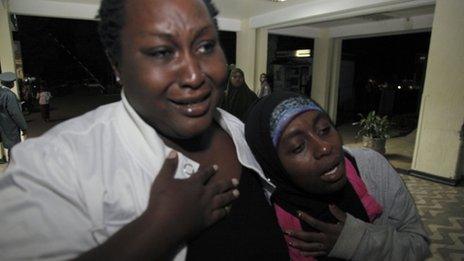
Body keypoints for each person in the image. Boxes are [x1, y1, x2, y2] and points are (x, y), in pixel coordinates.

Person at [0, 0, 290, 260]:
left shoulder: (237, 128)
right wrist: (158, 230)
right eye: (162, 52)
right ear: (118, 68)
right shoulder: (54, 166)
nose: (193, 75)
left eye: (205, 46)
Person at [245, 91, 430, 261]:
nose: (324, 147)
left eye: (325, 129)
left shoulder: (372, 168)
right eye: (298, 147)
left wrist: (356, 241)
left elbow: (418, 245)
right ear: (274, 166)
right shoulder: (264, 209)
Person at [0, 72, 28, 161]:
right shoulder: (9, 95)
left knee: (11, 148)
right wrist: (24, 127)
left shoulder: (1, 93)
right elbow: (15, 114)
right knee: (15, 148)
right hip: (11, 126)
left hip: (3, 125)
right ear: (11, 83)